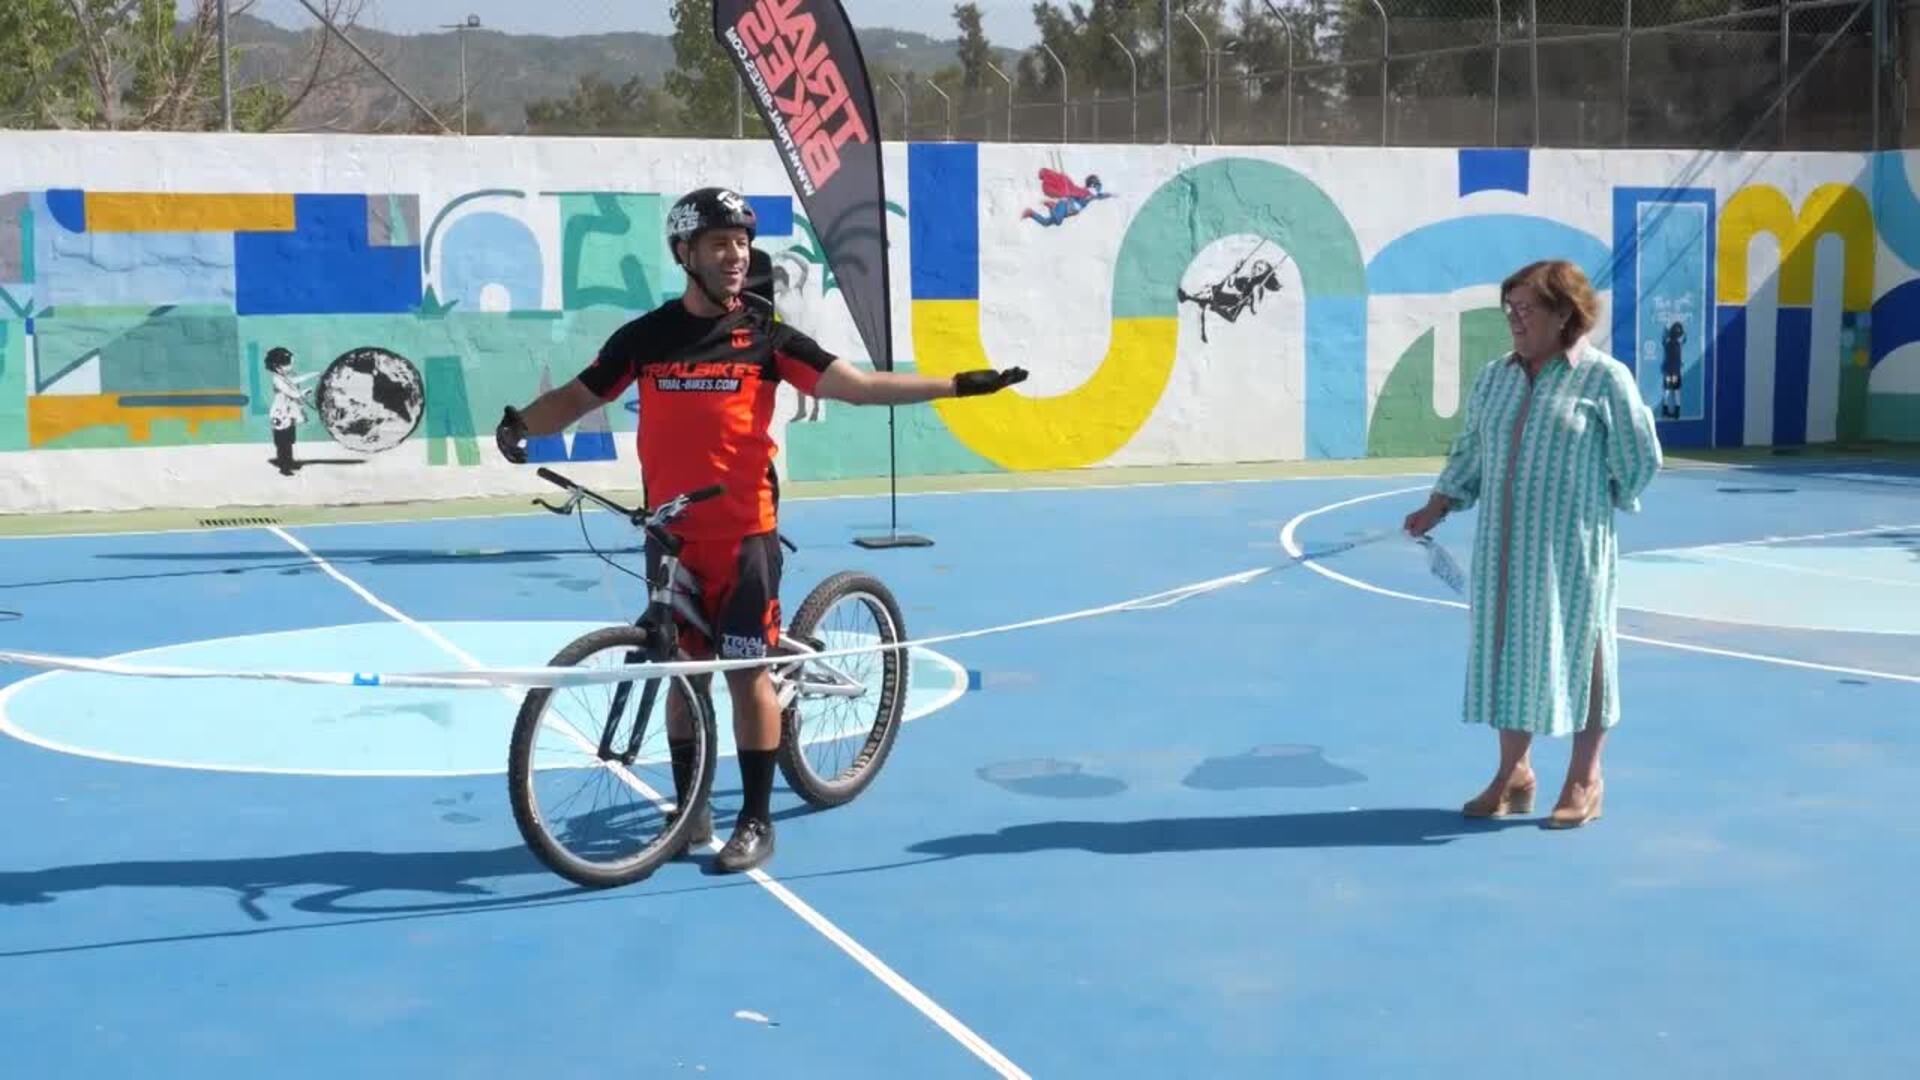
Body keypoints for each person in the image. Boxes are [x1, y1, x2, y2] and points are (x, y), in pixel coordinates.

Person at [494, 187, 1028, 873]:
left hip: (744, 534)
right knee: (680, 670)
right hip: (671, 535)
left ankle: (754, 819)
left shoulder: (767, 337)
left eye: (743, 243)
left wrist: (956, 385)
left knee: (747, 674)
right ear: (684, 252)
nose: (736, 255)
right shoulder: (646, 338)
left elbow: (858, 387)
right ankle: (690, 808)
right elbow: (579, 395)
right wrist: (522, 425)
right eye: (720, 243)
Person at [1402, 259, 1662, 829]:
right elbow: (1471, 452)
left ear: (1564, 313)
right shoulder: (1495, 377)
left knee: (1585, 655)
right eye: (1510, 309)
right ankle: (1513, 774)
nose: (1514, 319)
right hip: (1502, 550)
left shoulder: (1604, 379)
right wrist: (1438, 505)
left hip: (1572, 553)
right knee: (1507, 653)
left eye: (1526, 309)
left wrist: (1594, 499)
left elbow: (1639, 461)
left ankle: (1584, 779)